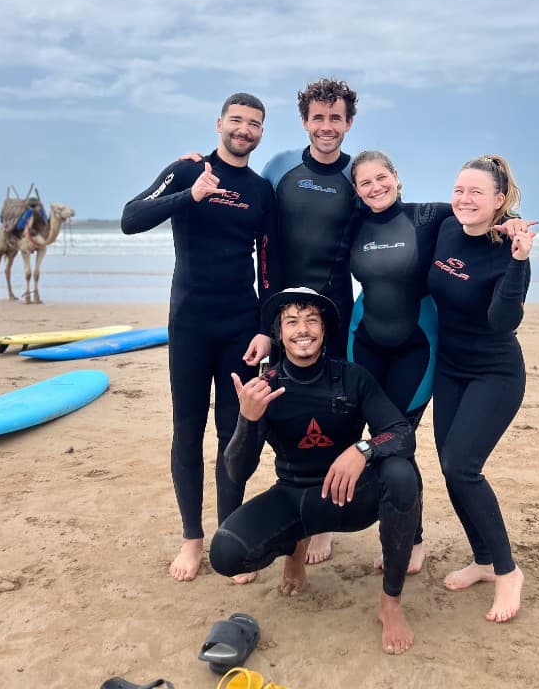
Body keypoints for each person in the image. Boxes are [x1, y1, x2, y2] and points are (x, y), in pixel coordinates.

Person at [120, 93, 281, 583]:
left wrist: (265, 328)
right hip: (189, 321)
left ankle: (228, 535)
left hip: (238, 325)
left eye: (254, 124)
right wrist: (188, 196)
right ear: (219, 124)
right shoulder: (188, 170)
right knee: (187, 428)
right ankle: (192, 537)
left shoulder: (260, 191)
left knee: (233, 431)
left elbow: (268, 265)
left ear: (260, 133)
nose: (245, 129)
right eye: (237, 120)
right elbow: (130, 218)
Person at [208, 288, 420, 655]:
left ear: (324, 330)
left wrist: (363, 449)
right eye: (291, 321)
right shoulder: (265, 388)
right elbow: (236, 471)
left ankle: (390, 604)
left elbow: (400, 433)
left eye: (311, 320)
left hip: (349, 498)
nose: (302, 329)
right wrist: (247, 419)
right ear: (279, 333)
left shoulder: (352, 377)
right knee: (225, 554)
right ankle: (295, 548)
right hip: (294, 497)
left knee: (402, 475)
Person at [348, 150, 531, 576]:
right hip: (416, 357)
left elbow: (504, 318)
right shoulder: (431, 226)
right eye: (365, 183)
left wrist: (517, 237)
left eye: (382, 178)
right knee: (435, 460)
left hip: (462, 361)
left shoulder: (470, 233)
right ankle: (468, 555)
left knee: (440, 458)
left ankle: (496, 568)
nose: (375, 188)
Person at [427, 154, 534, 623]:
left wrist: (517, 262)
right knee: (450, 469)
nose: (464, 199)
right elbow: (386, 200)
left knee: (462, 467)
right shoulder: (446, 225)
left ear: (499, 201)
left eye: (476, 192)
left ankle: (509, 572)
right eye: (458, 190)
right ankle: (484, 561)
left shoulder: (510, 253)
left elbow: (502, 321)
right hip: (450, 369)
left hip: (495, 372)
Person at [259, 77, 359, 565]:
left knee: (332, 411)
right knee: (286, 410)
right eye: (318, 118)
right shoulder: (281, 168)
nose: (326, 126)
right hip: (284, 312)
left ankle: (324, 519)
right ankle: (290, 508)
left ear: (348, 122)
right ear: (304, 121)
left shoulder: (358, 175)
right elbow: (257, 232)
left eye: (335, 117)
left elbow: (395, 214)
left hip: (334, 311)